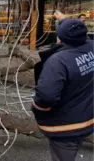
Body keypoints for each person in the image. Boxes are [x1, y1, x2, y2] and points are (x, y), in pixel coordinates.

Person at [32, 19, 94, 161]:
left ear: (60, 37)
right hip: (88, 118)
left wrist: (36, 108)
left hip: (65, 127)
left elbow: (46, 97)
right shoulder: (92, 47)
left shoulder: (58, 61)